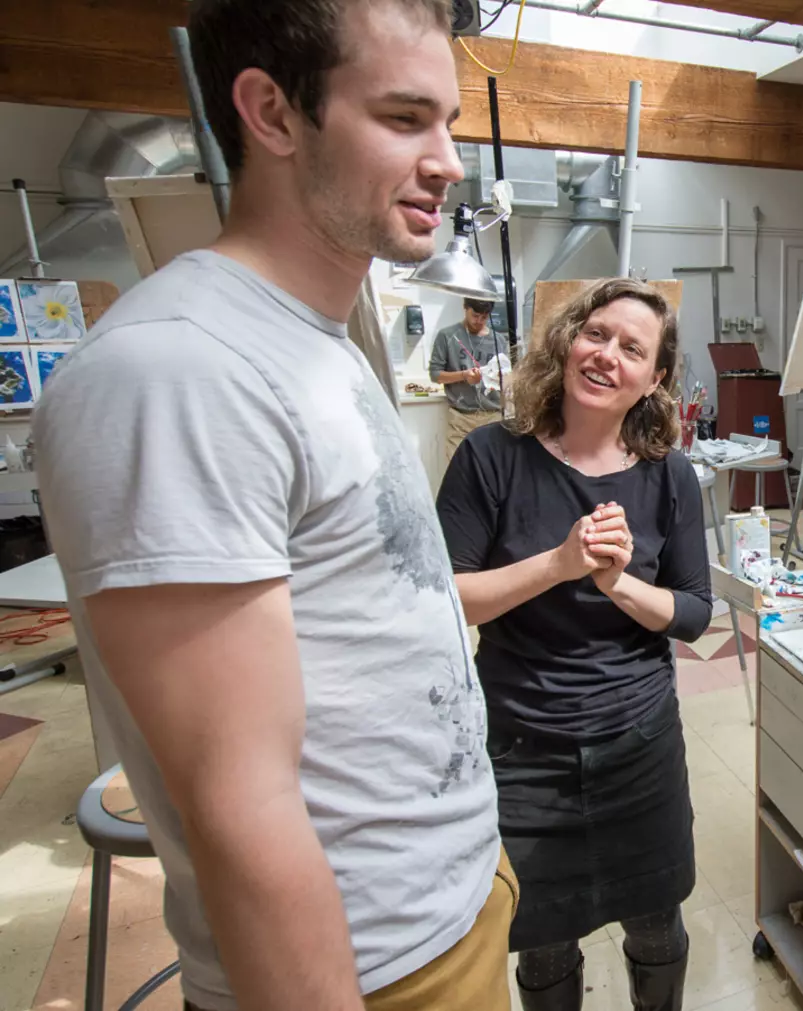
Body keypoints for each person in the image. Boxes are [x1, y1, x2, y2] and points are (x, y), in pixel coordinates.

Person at [31, 2, 513, 1010]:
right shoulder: (180, 373)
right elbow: (239, 806)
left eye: (451, 122)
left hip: (455, 909)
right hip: (371, 971)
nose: (449, 160)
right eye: (404, 117)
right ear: (274, 113)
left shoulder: (319, 344)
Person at [435, 277, 713, 1011]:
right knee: (543, 932)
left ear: (653, 379)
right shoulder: (492, 458)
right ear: (567, 340)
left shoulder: (670, 477)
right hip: (524, 745)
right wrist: (559, 565)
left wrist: (619, 584)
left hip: (638, 743)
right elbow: (443, 597)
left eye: (632, 348)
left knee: (656, 923)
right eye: (596, 334)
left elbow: (693, 613)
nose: (606, 355)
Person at [430, 296, 505, 456]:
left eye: (484, 317)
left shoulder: (498, 340)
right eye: (475, 315)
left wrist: (499, 378)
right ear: (465, 308)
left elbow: (507, 376)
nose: (479, 321)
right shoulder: (447, 336)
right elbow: (435, 374)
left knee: (491, 471)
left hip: (492, 416)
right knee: (457, 472)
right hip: (461, 416)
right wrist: (464, 375)